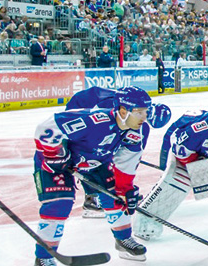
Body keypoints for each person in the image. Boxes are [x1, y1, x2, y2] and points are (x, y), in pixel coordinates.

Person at [32, 86, 153, 264]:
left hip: (96, 162)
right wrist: (55, 154)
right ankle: (44, 257)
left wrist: (124, 189)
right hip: (55, 164)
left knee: (116, 197)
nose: (144, 117)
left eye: (146, 112)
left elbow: (126, 164)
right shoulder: (94, 120)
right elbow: (46, 128)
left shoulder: (137, 132)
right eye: (139, 112)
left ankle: (123, 239)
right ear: (122, 110)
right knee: (59, 204)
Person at [135, 100, 208, 240]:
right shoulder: (198, 129)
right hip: (183, 150)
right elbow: (180, 151)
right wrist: (201, 169)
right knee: (179, 181)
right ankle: (145, 225)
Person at [64, 86, 171, 218]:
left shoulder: (140, 118)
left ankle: (100, 194)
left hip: (96, 105)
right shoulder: (111, 107)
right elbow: (97, 130)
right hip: (81, 104)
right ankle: (91, 199)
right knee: (90, 157)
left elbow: (133, 152)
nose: (144, 120)